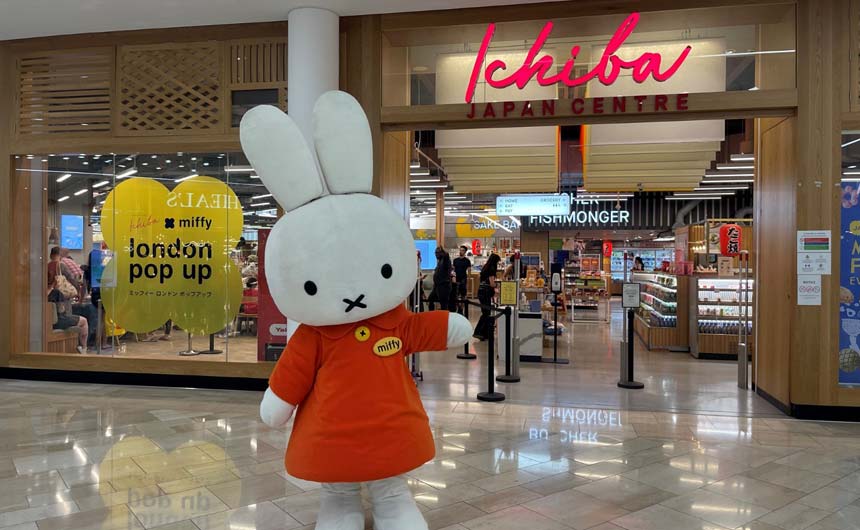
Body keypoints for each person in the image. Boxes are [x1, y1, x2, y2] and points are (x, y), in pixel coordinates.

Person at [47, 247, 88, 353]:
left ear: (51, 255)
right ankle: (78, 347)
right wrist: (78, 291)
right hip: (62, 299)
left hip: (50, 300)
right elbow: (72, 279)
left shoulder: (46, 266)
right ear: (59, 254)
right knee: (69, 320)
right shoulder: (61, 265)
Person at [474, 253, 501, 340]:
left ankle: (484, 334)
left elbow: (479, 278)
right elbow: (492, 283)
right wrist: (497, 285)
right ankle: (478, 332)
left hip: (481, 291)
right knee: (486, 313)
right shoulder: (492, 269)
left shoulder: (485, 267)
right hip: (486, 292)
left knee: (485, 312)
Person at [427, 247, 455, 312]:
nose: (436, 255)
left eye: (437, 253)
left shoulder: (445, 260)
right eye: (435, 253)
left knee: (444, 305)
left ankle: (444, 319)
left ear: (441, 253)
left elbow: (446, 256)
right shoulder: (440, 261)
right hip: (437, 286)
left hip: (444, 286)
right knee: (430, 299)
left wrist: (444, 252)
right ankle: (432, 315)